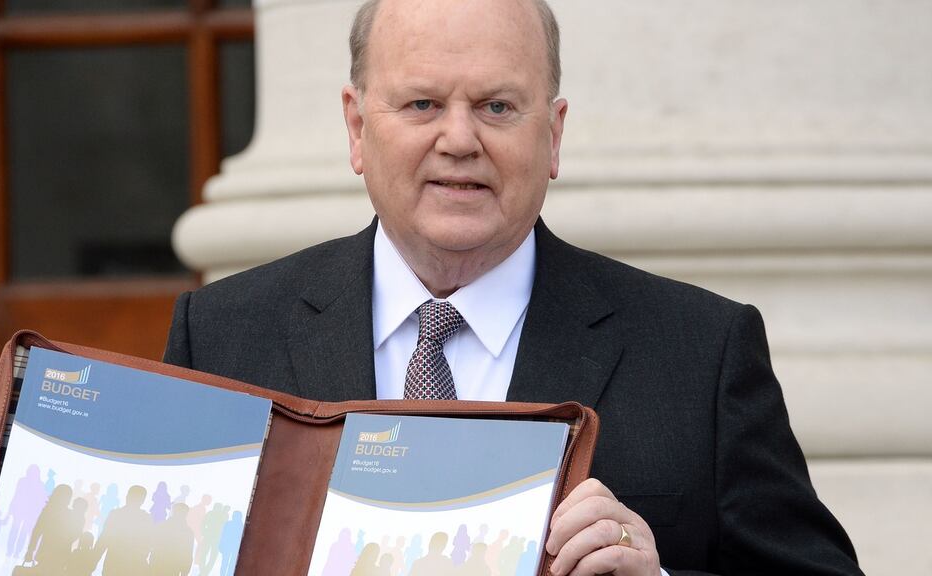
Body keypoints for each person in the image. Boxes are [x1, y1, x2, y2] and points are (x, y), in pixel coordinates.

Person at [163, 0, 864, 574]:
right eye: (421, 104)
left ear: (553, 136)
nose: (460, 138)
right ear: (356, 127)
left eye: (498, 107)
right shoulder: (221, 336)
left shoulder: (701, 353)